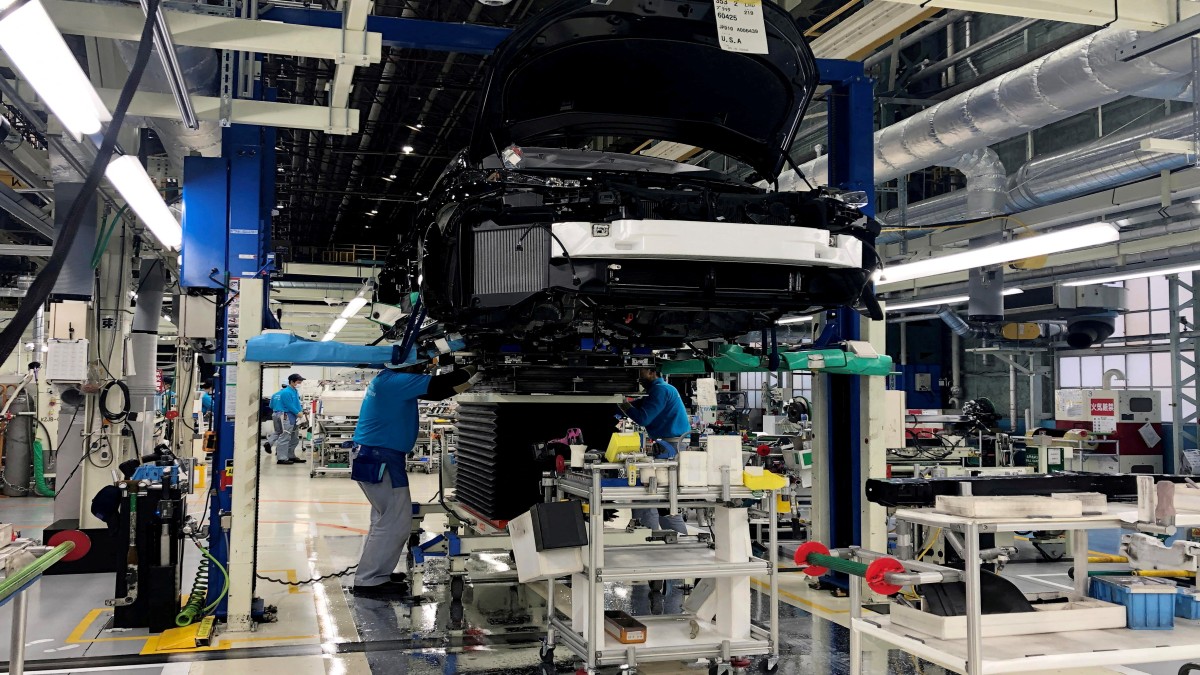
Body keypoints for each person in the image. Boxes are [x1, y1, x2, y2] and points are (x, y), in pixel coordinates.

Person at [350, 356, 478, 598]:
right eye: (419, 364)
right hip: (381, 458)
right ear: (405, 365)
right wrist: (473, 367)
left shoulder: (388, 380)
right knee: (395, 522)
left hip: (377, 455)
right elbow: (441, 384)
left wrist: (470, 383)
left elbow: (437, 394)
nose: (424, 368)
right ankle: (370, 581)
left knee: (384, 520)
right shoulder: (395, 381)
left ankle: (375, 574)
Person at [619, 367, 691, 536]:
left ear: (652, 372)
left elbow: (643, 418)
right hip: (668, 445)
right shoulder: (657, 391)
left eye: (641, 371)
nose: (637, 375)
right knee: (660, 495)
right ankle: (669, 536)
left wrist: (622, 403)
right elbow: (634, 407)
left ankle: (653, 536)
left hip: (671, 446)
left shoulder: (660, 390)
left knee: (656, 493)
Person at [269, 374, 306, 465]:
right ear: (292, 382)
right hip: (287, 415)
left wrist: (301, 412)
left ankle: (290, 455)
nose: (300, 383)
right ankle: (281, 458)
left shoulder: (295, 391)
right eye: (298, 382)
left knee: (294, 437)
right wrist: (298, 413)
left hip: (292, 416)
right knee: (285, 436)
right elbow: (290, 405)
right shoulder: (286, 392)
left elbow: (297, 403)